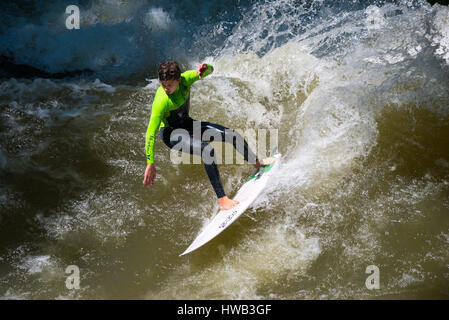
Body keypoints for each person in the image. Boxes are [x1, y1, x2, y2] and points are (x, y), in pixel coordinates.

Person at [143, 61, 275, 210]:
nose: (166, 89)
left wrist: (206, 68)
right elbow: (150, 133)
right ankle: (222, 200)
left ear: (178, 80)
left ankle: (256, 163)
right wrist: (150, 163)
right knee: (207, 150)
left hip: (187, 124)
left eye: (169, 85)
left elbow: (210, 71)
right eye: (163, 85)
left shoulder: (186, 79)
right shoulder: (161, 101)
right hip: (171, 133)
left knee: (231, 135)